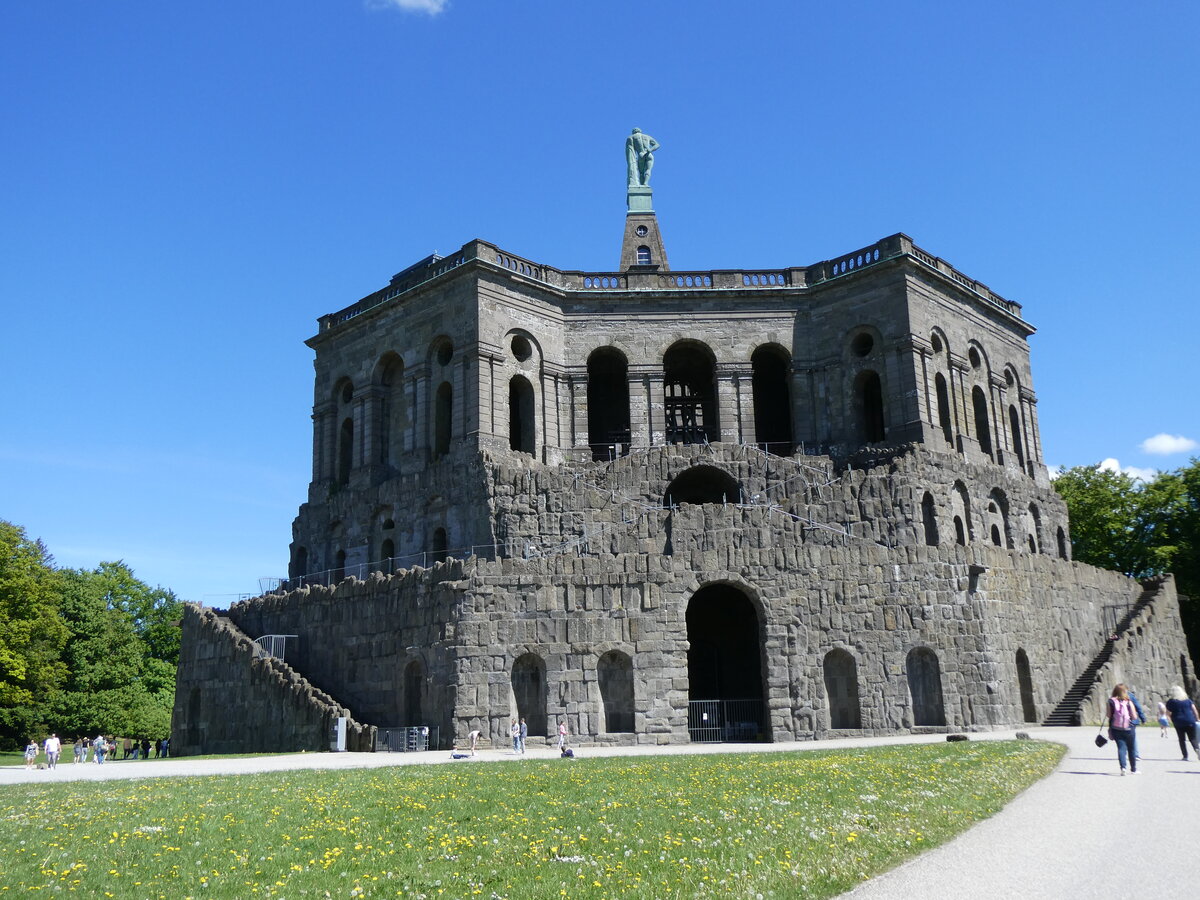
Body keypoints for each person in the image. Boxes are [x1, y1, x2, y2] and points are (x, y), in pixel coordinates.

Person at [1105, 684, 1138, 775]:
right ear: (1124, 691)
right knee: (1131, 748)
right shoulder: (1128, 702)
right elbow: (1134, 717)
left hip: (1116, 728)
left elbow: (1108, 715)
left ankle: (1123, 768)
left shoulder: (1110, 701)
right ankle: (1133, 769)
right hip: (1129, 728)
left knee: (1121, 748)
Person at [1165, 684, 1199, 760]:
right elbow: (1194, 710)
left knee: (1181, 739)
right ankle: (1197, 749)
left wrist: (1169, 720)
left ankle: (1185, 756)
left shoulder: (1171, 702)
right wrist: (1197, 719)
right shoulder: (1188, 701)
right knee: (1192, 738)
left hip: (1178, 722)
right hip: (1190, 720)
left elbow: (1168, 713)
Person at [1128, 689, 1146, 760]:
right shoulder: (1131, 696)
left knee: (1122, 738)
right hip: (1132, 720)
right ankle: (1135, 755)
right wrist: (1143, 718)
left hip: (1120, 721)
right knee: (1133, 737)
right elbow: (1138, 708)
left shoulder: (1116, 696)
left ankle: (1123, 754)